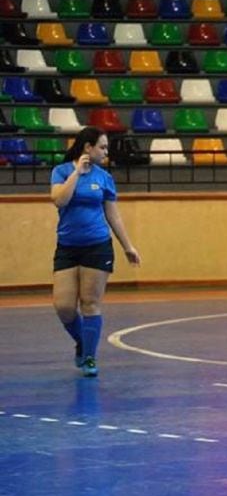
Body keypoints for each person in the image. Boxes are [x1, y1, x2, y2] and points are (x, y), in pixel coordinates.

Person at [50, 126, 140, 377]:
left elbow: (113, 214)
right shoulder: (61, 171)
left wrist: (128, 246)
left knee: (90, 303)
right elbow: (59, 200)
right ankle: (82, 341)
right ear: (87, 148)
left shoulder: (103, 177)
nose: (105, 151)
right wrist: (77, 173)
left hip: (97, 246)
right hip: (67, 246)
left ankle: (89, 356)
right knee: (64, 307)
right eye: (102, 147)